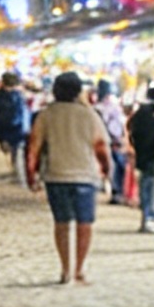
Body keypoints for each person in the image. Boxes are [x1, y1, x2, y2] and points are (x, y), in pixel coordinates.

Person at [25, 70, 112, 284]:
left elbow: (34, 148)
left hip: (56, 174)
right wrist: (107, 170)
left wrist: (31, 175)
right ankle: (79, 270)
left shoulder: (47, 114)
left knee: (61, 223)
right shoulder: (89, 115)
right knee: (85, 223)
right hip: (85, 174)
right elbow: (101, 147)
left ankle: (65, 269)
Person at [128, 84, 154, 233]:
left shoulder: (138, 114)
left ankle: (146, 219)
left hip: (142, 156)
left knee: (145, 189)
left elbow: (132, 133)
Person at [94, 79, 132, 206]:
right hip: (113, 139)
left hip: (109, 138)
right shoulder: (113, 105)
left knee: (115, 165)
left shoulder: (103, 106)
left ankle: (116, 191)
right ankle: (117, 191)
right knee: (117, 166)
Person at [0, 71, 29, 185]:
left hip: (4, 128)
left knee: (13, 152)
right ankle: (19, 175)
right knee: (17, 152)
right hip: (18, 128)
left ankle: (18, 174)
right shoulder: (19, 96)